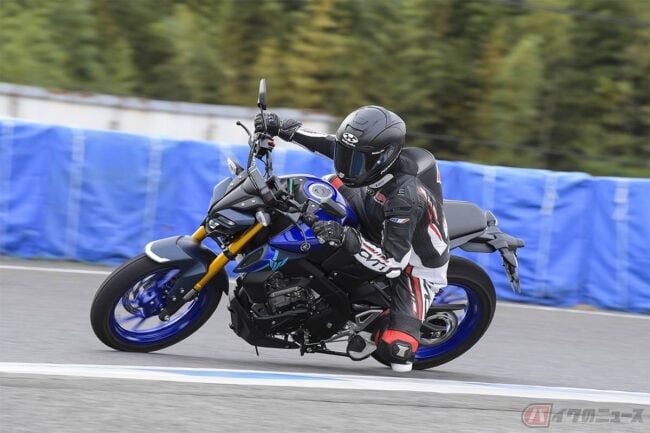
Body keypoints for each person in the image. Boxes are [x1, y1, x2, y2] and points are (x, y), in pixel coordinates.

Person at [254, 106, 449, 372]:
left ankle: (375, 325)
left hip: (414, 266)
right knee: (320, 186)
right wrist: (281, 127)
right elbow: (329, 145)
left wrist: (346, 236)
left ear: (385, 157)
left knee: (397, 354)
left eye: (357, 160)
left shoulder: (404, 198)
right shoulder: (370, 163)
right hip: (373, 212)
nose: (347, 166)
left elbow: (393, 263)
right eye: (347, 155)